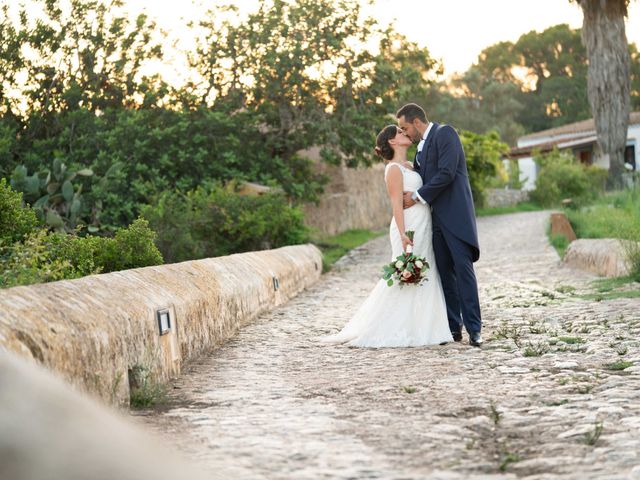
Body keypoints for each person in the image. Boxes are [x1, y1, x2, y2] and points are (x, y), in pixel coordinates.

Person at [320, 125, 452, 347]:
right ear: (392, 141)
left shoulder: (411, 166)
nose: (405, 134)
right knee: (407, 274)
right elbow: (396, 205)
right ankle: (388, 326)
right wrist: (402, 234)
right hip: (407, 227)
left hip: (424, 225)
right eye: (400, 133)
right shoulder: (393, 170)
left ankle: (426, 328)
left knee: (425, 272)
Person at [396, 103, 483, 347]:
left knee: (463, 272)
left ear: (416, 122)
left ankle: (475, 329)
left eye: (405, 127)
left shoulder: (446, 134)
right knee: (445, 275)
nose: (404, 133)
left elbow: (446, 173)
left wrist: (415, 196)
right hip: (435, 223)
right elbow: (426, 176)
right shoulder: (419, 151)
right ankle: (453, 327)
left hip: (456, 217)